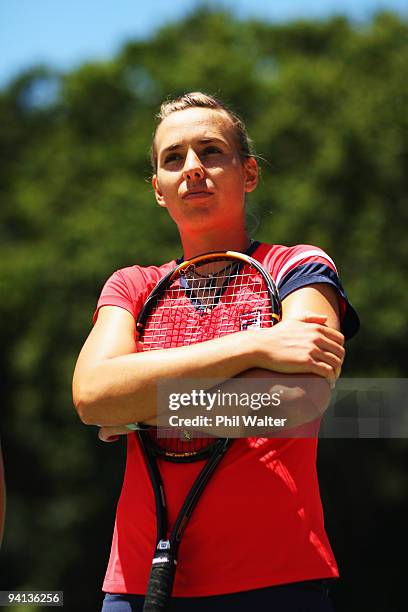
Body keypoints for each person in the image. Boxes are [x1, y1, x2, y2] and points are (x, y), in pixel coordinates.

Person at [73, 92, 359, 611]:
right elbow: (94, 397)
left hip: (276, 580)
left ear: (248, 173)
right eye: (173, 158)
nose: (193, 169)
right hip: (136, 584)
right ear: (157, 189)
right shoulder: (131, 285)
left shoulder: (298, 267)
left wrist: (143, 408)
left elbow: (294, 400)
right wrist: (255, 343)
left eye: (211, 151)